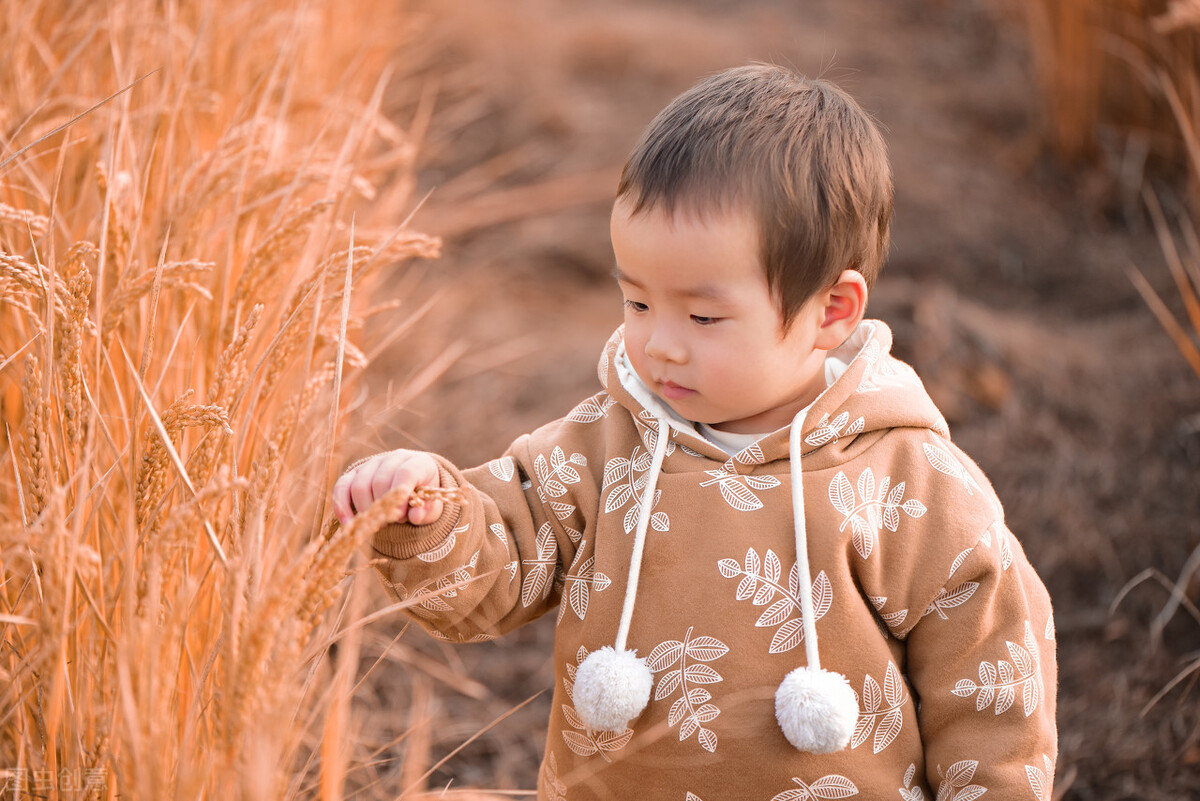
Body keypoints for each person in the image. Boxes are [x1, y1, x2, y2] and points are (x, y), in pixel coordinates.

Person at [333, 64, 1057, 799]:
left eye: (703, 316)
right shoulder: (601, 446)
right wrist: (430, 515)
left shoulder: (912, 484)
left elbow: (992, 688)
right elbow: (497, 568)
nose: (661, 345)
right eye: (637, 302)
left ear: (832, 310)